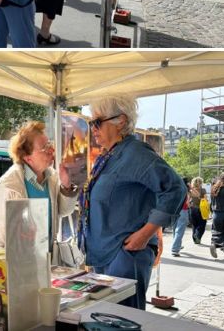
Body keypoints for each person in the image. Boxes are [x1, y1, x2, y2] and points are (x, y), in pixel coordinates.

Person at [77, 95, 185, 310]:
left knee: (124, 318)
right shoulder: (109, 156)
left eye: (97, 122)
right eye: (91, 123)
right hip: (104, 253)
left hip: (124, 254)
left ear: (121, 121)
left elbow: (175, 189)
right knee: (106, 317)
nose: (93, 128)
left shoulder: (135, 153)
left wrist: (146, 233)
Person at [0, 121, 78, 250]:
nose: (52, 150)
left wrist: (66, 186)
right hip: (19, 264)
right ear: (27, 157)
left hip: (47, 261)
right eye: (45, 148)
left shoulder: (51, 177)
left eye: (50, 144)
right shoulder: (9, 184)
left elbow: (64, 211)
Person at [210, 172, 224, 259]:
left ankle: (214, 244)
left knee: (217, 231)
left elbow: (211, 203)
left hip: (216, 213)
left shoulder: (214, 188)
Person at [171, 179, 190, 257]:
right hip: (183, 210)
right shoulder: (185, 190)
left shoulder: (174, 189)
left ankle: (177, 244)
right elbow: (188, 202)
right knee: (180, 230)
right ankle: (175, 248)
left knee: (175, 229)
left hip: (174, 210)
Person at [189, 177, 207, 244]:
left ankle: (196, 240)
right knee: (202, 224)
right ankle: (197, 235)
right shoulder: (203, 190)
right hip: (201, 209)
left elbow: (188, 200)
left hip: (192, 209)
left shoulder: (191, 191)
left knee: (194, 224)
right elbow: (205, 199)